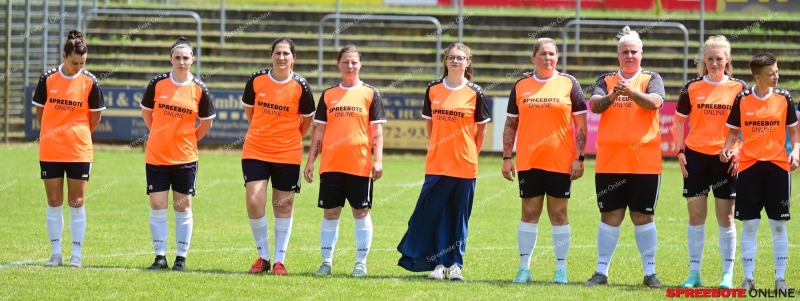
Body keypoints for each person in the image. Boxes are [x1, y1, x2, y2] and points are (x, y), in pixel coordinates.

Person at [396, 42, 491, 281]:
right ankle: (438, 263)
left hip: (465, 166)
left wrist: (468, 152)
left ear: (468, 62)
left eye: (461, 58)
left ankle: (456, 264)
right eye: (451, 57)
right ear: (445, 61)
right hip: (437, 164)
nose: (456, 61)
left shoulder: (475, 92)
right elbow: (431, 126)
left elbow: (481, 131)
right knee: (434, 214)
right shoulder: (433, 89)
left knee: (458, 217)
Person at [583, 26, 666, 288]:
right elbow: (595, 105)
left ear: (641, 53)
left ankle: (650, 273)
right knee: (610, 216)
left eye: (634, 51)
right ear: (618, 54)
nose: (630, 55)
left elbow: (654, 103)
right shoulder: (606, 80)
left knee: (643, 216)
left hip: (644, 163)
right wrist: (614, 94)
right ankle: (601, 271)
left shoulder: (652, 77)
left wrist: (630, 93)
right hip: (610, 162)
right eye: (625, 51)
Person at [501, 38, 588, 284]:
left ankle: (561, 269)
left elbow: (581, 125)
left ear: (557, 57)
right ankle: (524, 268)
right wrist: (507, 157)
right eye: (542, 53)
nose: (547, 57)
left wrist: (579, 157)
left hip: (560, 162)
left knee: (559, 214)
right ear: (533, 58)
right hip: (529, 161)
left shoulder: (569, 84)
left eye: (551, 53)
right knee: (529, 213)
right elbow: (510, 124)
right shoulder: (521, 86)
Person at [303, 44, 386, 277]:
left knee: (361, 212)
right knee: (330, 214)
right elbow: (319, 131)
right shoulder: (329, 95)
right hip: (331, 165)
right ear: (338, 64)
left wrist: (378, 160)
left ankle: (361, 263)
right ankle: (326, 262)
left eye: (354, 62)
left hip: (360, 165)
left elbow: (376, 130)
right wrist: (310, 161)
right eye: (346, 62)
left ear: (360, 64)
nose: (350, 66)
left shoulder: (371, 93)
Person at [674, 35, 747, 289]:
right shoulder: (692, 87)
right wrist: (679, 151)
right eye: (710, 59)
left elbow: (750, 126)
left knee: (725, 218)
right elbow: (679, 121)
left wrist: (741, 151)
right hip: (695, 159)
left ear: (727, 60)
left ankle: (727, 275)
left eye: (719, 59)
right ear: (704, 60)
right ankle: (694, 275)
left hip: (726, 159)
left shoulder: (739, 88)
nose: (715, 63)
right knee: (696, 217)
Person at [721, 53, 797, 291]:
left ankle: (780, 279)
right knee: (750, 225)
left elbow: (795, 133)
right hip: (749, 169)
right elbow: (733, 133)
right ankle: (748, 278)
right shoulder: (742, 99)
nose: (776, 76)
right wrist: (727, 149)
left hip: (777, 168)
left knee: (778, 226)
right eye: (771, 73)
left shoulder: (784, 97)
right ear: (757, 77)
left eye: (776, 71)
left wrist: (796, 151)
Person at [241, 37, 316, 275]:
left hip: (287, 153)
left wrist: (290, 138)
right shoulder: (256, 80)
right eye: (277, 53)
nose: (281, 57)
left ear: (294, 58)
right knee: (254, 202)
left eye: (286, 53)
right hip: (256, 149)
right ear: (271, 55)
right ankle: (263, 256)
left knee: (283, 205)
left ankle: (279, 260)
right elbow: (250, 113)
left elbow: (306, 122)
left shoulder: (301, 86)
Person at [140, 37, 216, 271]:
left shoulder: (198, 88)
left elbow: (206, 123)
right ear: (170, 59)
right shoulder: (158, 83)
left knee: (182, 207)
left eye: (186, 58)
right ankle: (160, 257)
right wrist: (160, 135)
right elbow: (147, 113)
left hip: (185, 158)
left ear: (192, 60)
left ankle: (181, 258)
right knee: (157, 205)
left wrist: (188, 138)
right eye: (177, 58)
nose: (181, 62)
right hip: (157, 157)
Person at [33, 29, 105, 268]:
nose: (78, 67)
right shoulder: (48, 78)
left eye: (83, 63)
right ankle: (56, 254)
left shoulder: (90, 81)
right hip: (51, 149)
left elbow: (94, 118)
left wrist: (79, 135)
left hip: (79, 150)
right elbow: (41, 112)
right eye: (74, 62)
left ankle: (76, 256)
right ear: (64, 56)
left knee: (77, 201)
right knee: (54, 200)